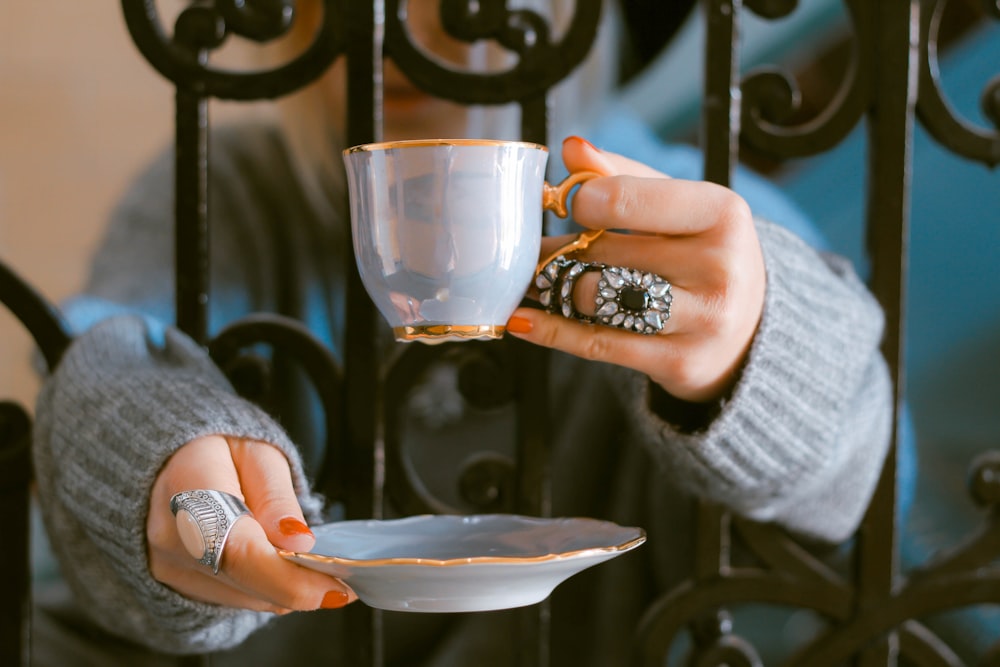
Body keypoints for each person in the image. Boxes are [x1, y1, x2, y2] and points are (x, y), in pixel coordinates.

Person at [30, 0, 893, 665]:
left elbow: (866, 475)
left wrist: (751, 359)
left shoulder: (678, 212)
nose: (399, 26)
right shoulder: (232, 186)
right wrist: (150, 453)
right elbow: (101, 352)